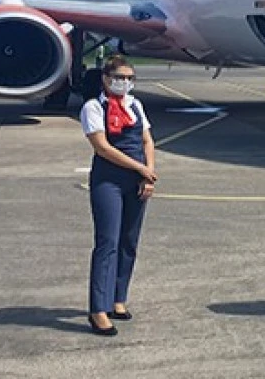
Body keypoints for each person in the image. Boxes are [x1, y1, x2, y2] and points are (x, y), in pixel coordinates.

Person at [80, 55, 156, 337]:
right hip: (108, 180)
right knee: (107, 242)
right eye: (119, 77)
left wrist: (149, 172)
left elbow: (148, 140)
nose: (124, 82)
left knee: (129, 241)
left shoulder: (135, 105)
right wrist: (140, 168)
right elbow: (102, 147)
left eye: (129, 78)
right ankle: (97, 309)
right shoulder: (93, 107)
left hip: (137, 179)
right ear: (105, 78)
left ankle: (117, 300)